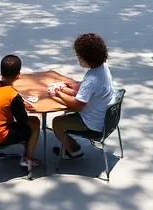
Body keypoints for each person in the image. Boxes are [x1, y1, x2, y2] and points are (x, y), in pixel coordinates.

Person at [49, 33, 115, 161]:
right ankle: (69, 145)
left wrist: (58, 93)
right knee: (66, 111)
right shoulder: (103, 68)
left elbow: (77, 106)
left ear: (85, 59)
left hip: (93, 123)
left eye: (78, 56)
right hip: (105, 117)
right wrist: (72, 86)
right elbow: (87, 89)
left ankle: (73, 150)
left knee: (57, 122)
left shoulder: (91, 79)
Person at [0, 54, 42, 171]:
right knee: (35, 123)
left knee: (27, 123)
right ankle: (27, 159)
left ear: (1, 71)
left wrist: (18, 103)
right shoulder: (13, 95)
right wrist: (21, 105)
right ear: (18, 75)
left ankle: (16, 150)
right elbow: (22, 121)